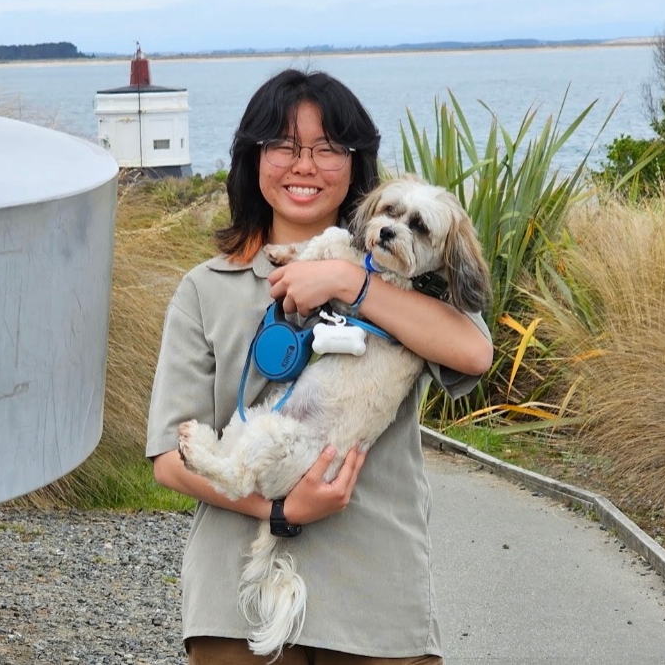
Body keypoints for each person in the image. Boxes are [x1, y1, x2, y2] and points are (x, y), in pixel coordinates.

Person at [146, 68, 493, 665]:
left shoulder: (420, 285)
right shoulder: (205, 289)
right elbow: (167, 458)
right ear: (252, 159)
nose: (304, 165)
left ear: (357, 166)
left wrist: (345, 279)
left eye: (328, 148)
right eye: (283, 145)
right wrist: (280, 510)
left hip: (375, 590)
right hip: (237, 593)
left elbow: (474, 352)